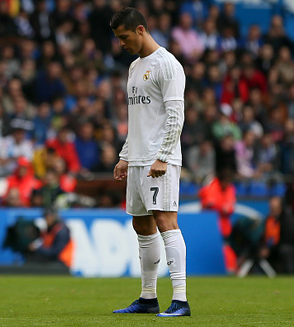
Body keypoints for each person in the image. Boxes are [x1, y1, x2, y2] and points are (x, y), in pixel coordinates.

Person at [110, 8, 190, 317]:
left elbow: (175, 115)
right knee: (141, 223)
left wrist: (164, 156)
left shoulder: (168, 65)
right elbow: (137, 120)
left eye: (125, 37)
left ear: (140, 29)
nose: (122, 44)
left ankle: (181, 300)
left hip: (160, 160)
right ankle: (147, 298)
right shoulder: (133, 67)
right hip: (139, 160)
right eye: (118, 39)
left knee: (166, 221)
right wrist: (125, 155)